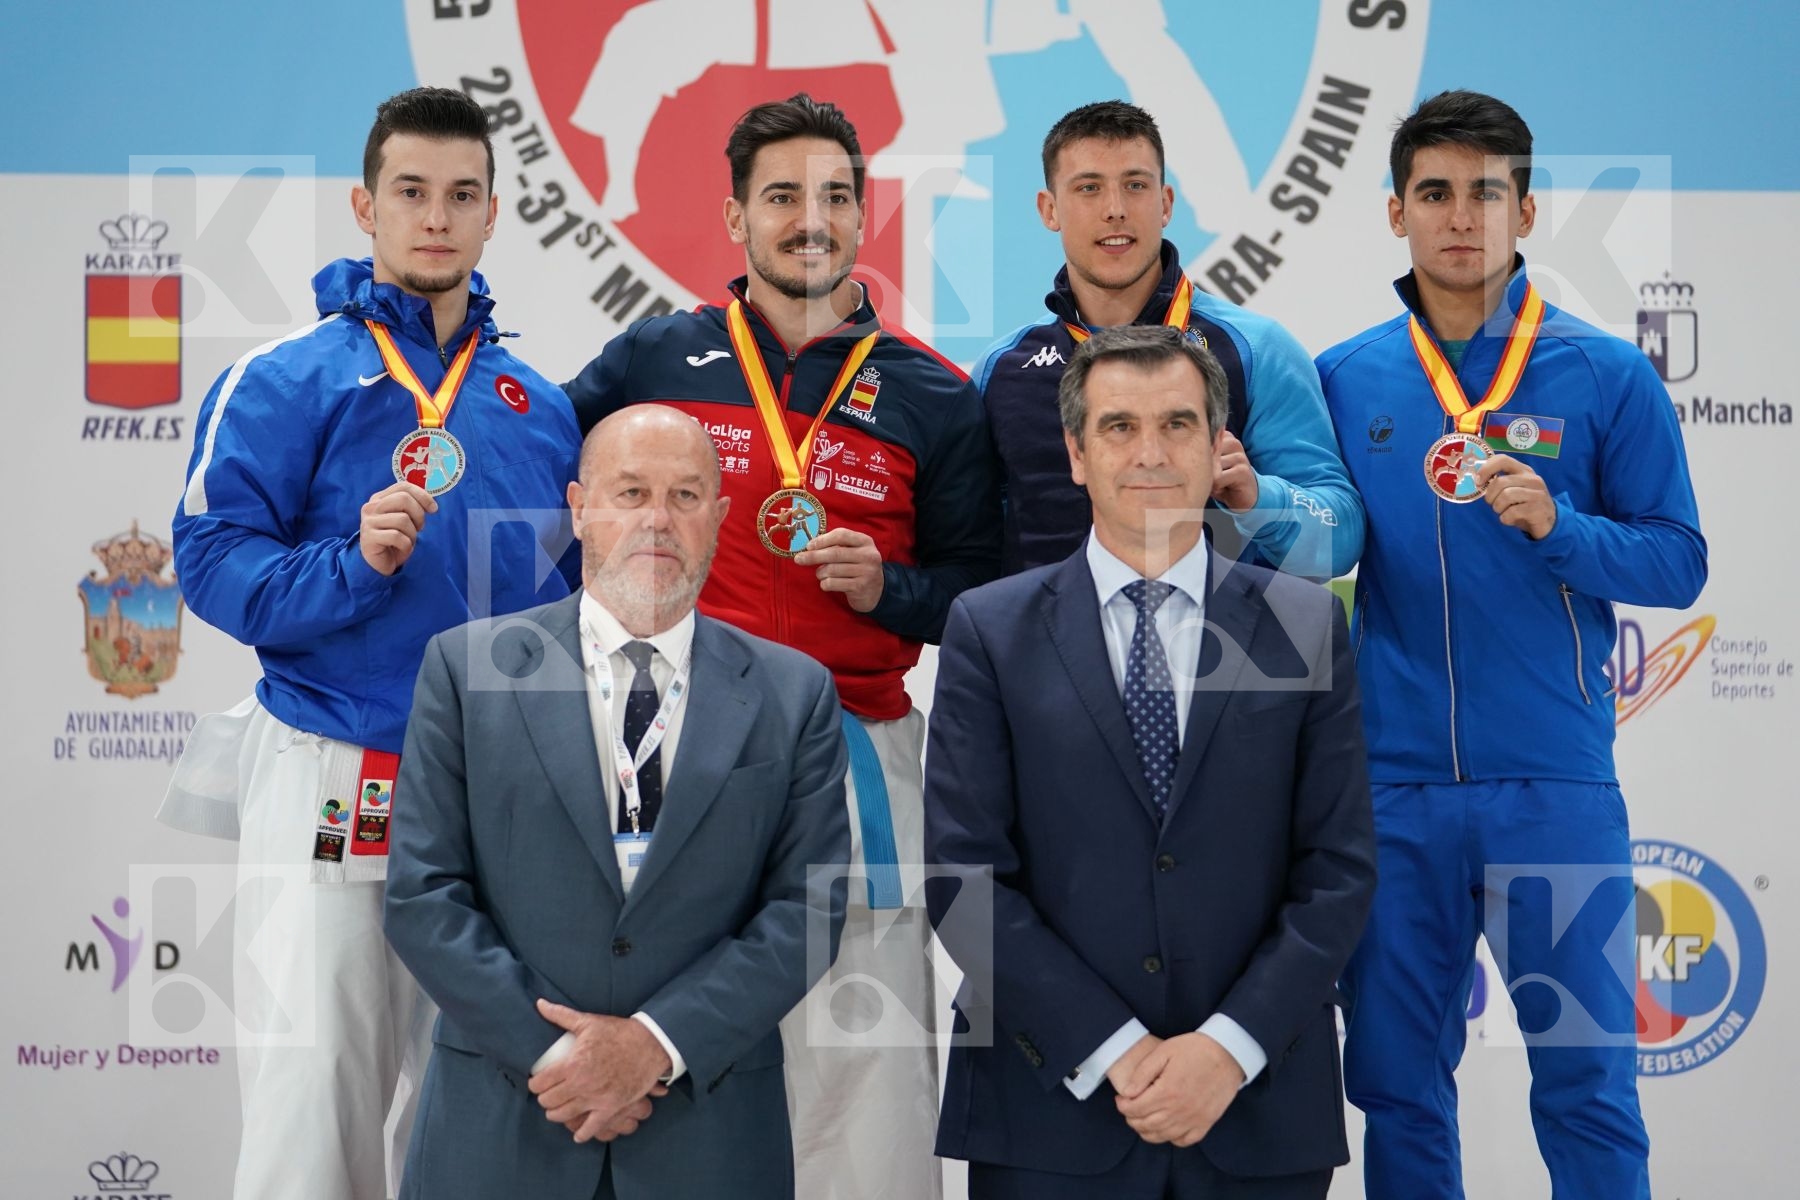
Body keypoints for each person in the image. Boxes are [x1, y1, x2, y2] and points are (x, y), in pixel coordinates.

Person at [564, 92, 1001, 1200]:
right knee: (681, 1041)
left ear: (864, 214)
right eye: (782, 197)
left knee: (867, 1061)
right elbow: (544, 488)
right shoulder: (654, 358)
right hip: (676, 751)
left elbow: (981, 596)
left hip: (858, 752)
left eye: (835, 196)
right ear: (734, 217)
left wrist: (888, 586)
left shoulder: (933, 396)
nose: (811, 218)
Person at [157, 86, 580, 1199]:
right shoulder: (286, 379)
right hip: (342, 774)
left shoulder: (538, 405)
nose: (435, 216)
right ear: (365, 205)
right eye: (410, 193)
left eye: (460, 195)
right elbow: (210, 561)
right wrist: (351, 564)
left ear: (493, 212)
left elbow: (572, 609)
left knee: (482, 1110)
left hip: (502, 797)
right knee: (319, 1099)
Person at [1317, 90, 1707, 1199]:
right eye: (1434, 192)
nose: (1460, 216)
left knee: (1586, 1083)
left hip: (1556, 789)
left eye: (1486, 192)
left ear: (1527, 210)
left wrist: (1560, 527)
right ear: (1394, 212)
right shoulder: (1346, 380)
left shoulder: (1604, 373)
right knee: (1396, 1084)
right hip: (1391, 793)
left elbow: (1677, 562)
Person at [926, 324, 1377, 1199]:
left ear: (1219, 449)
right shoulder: (988, 630)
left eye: (1177, 424)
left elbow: (1339, 872)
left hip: (1256, 1106)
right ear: (1076, 454)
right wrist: (1117, 1053)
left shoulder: (1305, 625)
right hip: (1049, 1107)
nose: (1150, 453)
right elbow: (963, 881)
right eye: (1119, 428)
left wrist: (1226, 1050)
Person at [384, 406, 851, 1199]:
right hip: (503, 1126)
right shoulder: (466, 671)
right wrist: (561, 1057)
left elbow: (810, 911)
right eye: (631, 492)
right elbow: (423, 896)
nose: (659, 520)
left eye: (686, 495)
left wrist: (654, 1046)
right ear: (578, 507)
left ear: (721, 516)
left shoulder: (794, 690)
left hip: (706, 1135)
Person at [976, 100, 1362, 582]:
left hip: (1218, 654)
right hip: (1048, 654)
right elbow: (970, 550)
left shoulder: (1257, 350)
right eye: (1089, 188)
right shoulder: (1002, 371)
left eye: (1135, 185)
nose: (1115, 210)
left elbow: (1339, 540)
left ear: (1165, 204)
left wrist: (1258, 496)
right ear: (1049, 209)